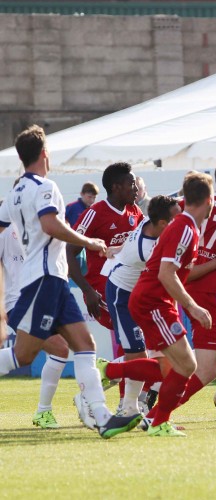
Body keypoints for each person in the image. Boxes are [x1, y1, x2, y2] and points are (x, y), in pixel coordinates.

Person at [0, 125, 141, 438]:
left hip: (54, 279)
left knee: (84, 345)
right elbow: (51, 225)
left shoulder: (16, 191)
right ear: (45, 154)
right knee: (22, 356)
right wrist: (90, 242)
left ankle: (102, 417)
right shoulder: (45, 186)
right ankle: (98, 415)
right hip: (43, 278)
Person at [123, 172, 215, 437]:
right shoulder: (185, 227)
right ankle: (157, 422)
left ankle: (111, 370)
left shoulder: (185, 224)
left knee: (172, 366)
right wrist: (193, 307)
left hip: (154, 300)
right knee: (187, 365)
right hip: (154, 301)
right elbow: (166, 273)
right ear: (208, 200)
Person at [102, 195, 182, 418]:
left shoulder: (150, 222)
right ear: (164, 223)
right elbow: (171, 275)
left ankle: (130, 404)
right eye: (177, 218)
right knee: (138, 355)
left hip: (140, 295)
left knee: (152, 357)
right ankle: (111, 387)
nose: (183, 221)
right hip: (123, 296)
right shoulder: (147, 250)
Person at [0, 215, 71, 429]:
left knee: (48, 351)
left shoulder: (44, 225)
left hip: (43, 299)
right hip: (17, 302)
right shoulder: (6, 231)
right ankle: (44, 411)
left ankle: (44, 411)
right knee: (59, 348)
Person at [67, 162, 143, 331]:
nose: (136, 189)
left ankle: (113, 359)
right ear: (116, 187)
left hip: (129, 287)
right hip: (103, 292)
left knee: (138, 340)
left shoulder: (135, 211)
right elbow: (69, 252)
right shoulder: (94, 214)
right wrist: (87, 291)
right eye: (131, 184)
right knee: (135, 333)